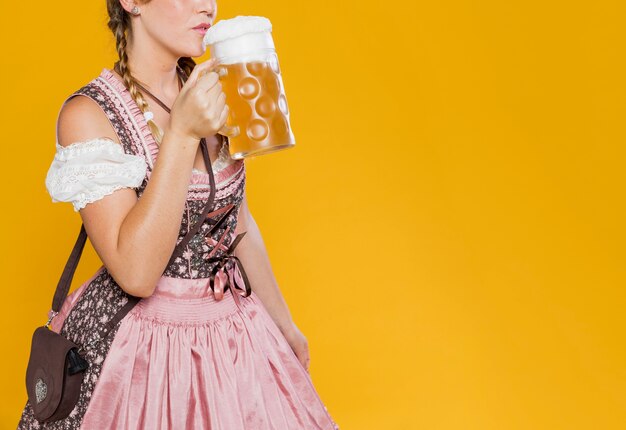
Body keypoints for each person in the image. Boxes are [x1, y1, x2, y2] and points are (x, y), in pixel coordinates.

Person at [17, 0, 339, 429]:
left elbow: (236, 219)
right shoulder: (89, 115)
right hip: (140, 349)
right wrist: (183, 135)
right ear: (132, 3)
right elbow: (136, 273)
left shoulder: (216, 88)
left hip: (233, 333)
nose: (208, 6)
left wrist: (286, 326)